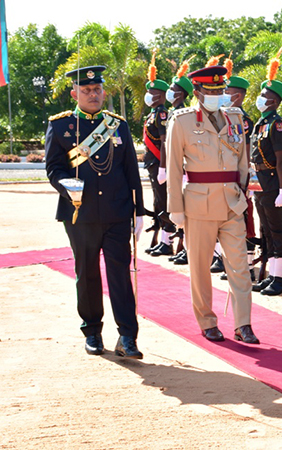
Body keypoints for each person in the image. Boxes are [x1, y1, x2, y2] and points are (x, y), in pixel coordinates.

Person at [45, 65, 145, 358]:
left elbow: (130, 170)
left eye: (97, 90)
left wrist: (138, 211)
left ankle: (128, 336)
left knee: (120, 276)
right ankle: (92, 332)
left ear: (104, 92)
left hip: (117, 213)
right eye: (86, 90)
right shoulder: (60, 125)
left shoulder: (118, 125)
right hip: (80, 213)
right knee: (86, 274)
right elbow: (54, 167)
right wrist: (67, 185)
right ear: (75, 93)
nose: (93, 94)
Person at [166, 64, 259, 345]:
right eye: (211, 90)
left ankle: (243, 324)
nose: (218, 95)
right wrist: (175, 208)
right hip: (199, 203)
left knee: (240, 266)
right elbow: (172, 167)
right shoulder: (181, 121)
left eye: (221, 90)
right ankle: (207, 320)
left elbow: (243, 159)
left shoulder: (234, 117)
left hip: (232, 202)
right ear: (197, 92)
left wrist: (243, 193)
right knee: (200, 266)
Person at [250, 51, 282, 297]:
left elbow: (280, 159)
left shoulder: (277, 124)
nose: (260, 98)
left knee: (277, 230)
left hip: (273, 183)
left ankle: (280, 278)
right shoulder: (261, 123)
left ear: (274, 102)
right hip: (259, 182)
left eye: (265, 96)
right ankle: (271, 274)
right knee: (265, 229)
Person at [223, 58, 257, 282]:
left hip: (239, 178)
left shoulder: (242, 120)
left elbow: (243, 153)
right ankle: (228, 261)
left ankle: (248, 264)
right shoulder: (222, 117)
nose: (223, 95)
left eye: (228, 92)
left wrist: (244, 181)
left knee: (244, 220)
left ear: (238, 96)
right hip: (223, 178)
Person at [142, 50, 176, 257]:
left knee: (164, 201)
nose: (150, 96)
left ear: (162, 96)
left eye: (154, 93)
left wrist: (163, 167)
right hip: (152, 163)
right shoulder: (152, 114)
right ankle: (162, 238)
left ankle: (168, 239)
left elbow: (164, 142)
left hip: (159, 163)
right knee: (157, 201)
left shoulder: (162, 113)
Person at [166, 58, 195, 266]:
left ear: (181, 94)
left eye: (173, 89)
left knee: (185, 211)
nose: (169, 91)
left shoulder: (183, 114)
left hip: (185, 170)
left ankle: (187, 248)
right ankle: (183, 248)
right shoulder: (172, 112)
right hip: (174, 166)